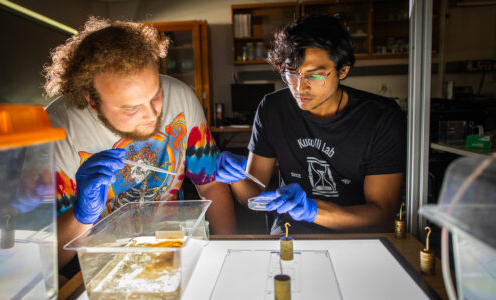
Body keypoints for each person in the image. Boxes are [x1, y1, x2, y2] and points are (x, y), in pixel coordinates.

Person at [43, 17, 236, 271]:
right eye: (132, 108)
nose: (152, 114)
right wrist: (82, 216)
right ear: (92, 101)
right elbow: (46, 260)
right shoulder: (56, 129)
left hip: (171, 247)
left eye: (155, 95)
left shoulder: (181, 96)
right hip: (97, 265)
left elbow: (210, 186)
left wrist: (230, 253)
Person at [216, 14, 406, 234]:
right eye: (291, 74)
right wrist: (236, 179)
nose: (299, 88)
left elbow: (381, 215)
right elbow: (252, 196)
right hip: (290, 230)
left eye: (314, 76)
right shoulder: (273, 109)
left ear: (342, 70)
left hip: (357, 234)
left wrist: (313, 210)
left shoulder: (380, 117)